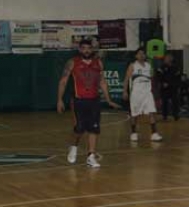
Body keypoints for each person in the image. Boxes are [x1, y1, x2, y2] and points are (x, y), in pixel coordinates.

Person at [56, 39, 120, 168]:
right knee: (79, 128)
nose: (86, 50)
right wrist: (59, 99)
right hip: (79, 100)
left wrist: (108, 99)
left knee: (94, 128)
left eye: (88, 48)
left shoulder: (98, 63)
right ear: (80, 49)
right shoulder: (72, 62)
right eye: (84, 48)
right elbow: (63, 81)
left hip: (94, 100)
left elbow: (102, 81)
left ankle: (91, 156)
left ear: (92, 49)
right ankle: (73, 146)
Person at [122, 47, 162, 142]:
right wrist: (124, 91)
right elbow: (126, 79)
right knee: (135, 114)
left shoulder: (149, 65)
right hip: (136, 92)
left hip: (147, 93)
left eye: (143, 53)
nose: (141, 55)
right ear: (136, 56)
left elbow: (152, 77)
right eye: (139, 53)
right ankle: (133, 133)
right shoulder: (132, 65)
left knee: (151, 112)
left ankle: (154, 133)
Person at [156, 54, 181, 121]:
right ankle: (165, 115)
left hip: (173, 87)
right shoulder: (161, 67)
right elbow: (158, 76)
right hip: (164, 88)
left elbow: (177, 78)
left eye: (169, 58)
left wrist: (171, 84)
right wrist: (163, 83)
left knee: (175, 101)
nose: (168, 59)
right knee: (164, 102)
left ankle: (176, 115)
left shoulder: (175, 67)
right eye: (167, 58)